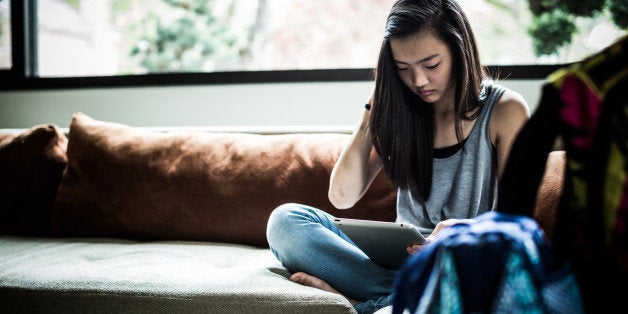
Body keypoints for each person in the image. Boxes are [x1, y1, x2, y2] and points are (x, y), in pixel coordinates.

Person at [266, 0, 530, 312]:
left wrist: (463, 230)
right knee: (285, 222)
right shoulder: (402, 113)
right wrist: (372, 110)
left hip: (462, 262)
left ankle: (365, 302)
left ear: (460, 53)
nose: (418, 81)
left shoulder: (506, 111)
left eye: (431, 65)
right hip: (401, 263)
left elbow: (518, 224)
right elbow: (342, 196)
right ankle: (396, 296)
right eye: (403, 68)